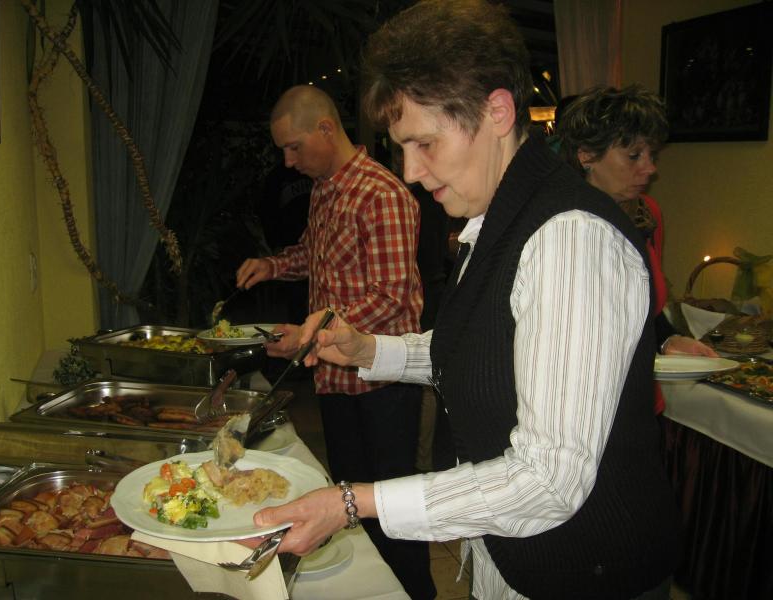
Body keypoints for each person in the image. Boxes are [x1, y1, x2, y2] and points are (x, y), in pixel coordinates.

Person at [243, 2, 681, 599]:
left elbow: (548, 480)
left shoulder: (570, 239)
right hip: (510, 557)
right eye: (403, 147)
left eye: (424, 142)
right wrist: (368, 350)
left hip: (583, 572)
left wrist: (354, 502)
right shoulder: (497, 219)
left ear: (497, 111)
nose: (411, 171)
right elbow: (482, 349)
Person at [234, 85, 435, 599]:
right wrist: (272, 266)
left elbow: (392, 296)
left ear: (326, 129)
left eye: (294, 147)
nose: (288, 161)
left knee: (392, 509)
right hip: (335, 377)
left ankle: (416, 593)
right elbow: (314, 256)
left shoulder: (381, 193)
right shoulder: (326, 188)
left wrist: (312, 332)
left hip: (384, 383)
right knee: (349, 501)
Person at [557, 85, 718, 414]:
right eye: (634, 155)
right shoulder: (562, 226)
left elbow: (645, 309)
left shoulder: (647, 215)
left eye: (651, 155)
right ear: (586, 156)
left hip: (639, 399)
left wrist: (669, 339)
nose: (650, 168)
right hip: (584, 405)